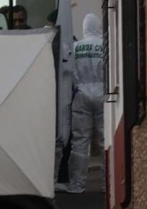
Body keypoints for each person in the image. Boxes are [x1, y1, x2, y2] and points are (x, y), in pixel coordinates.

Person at [66, 13, 104, 194]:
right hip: (103, 94)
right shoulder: (105, 45)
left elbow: (69, 72)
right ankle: (107, 183)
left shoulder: (75, 47)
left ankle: (77, 184)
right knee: (105, 141)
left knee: (80, 141)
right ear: (98, 27)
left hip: (81, 95)